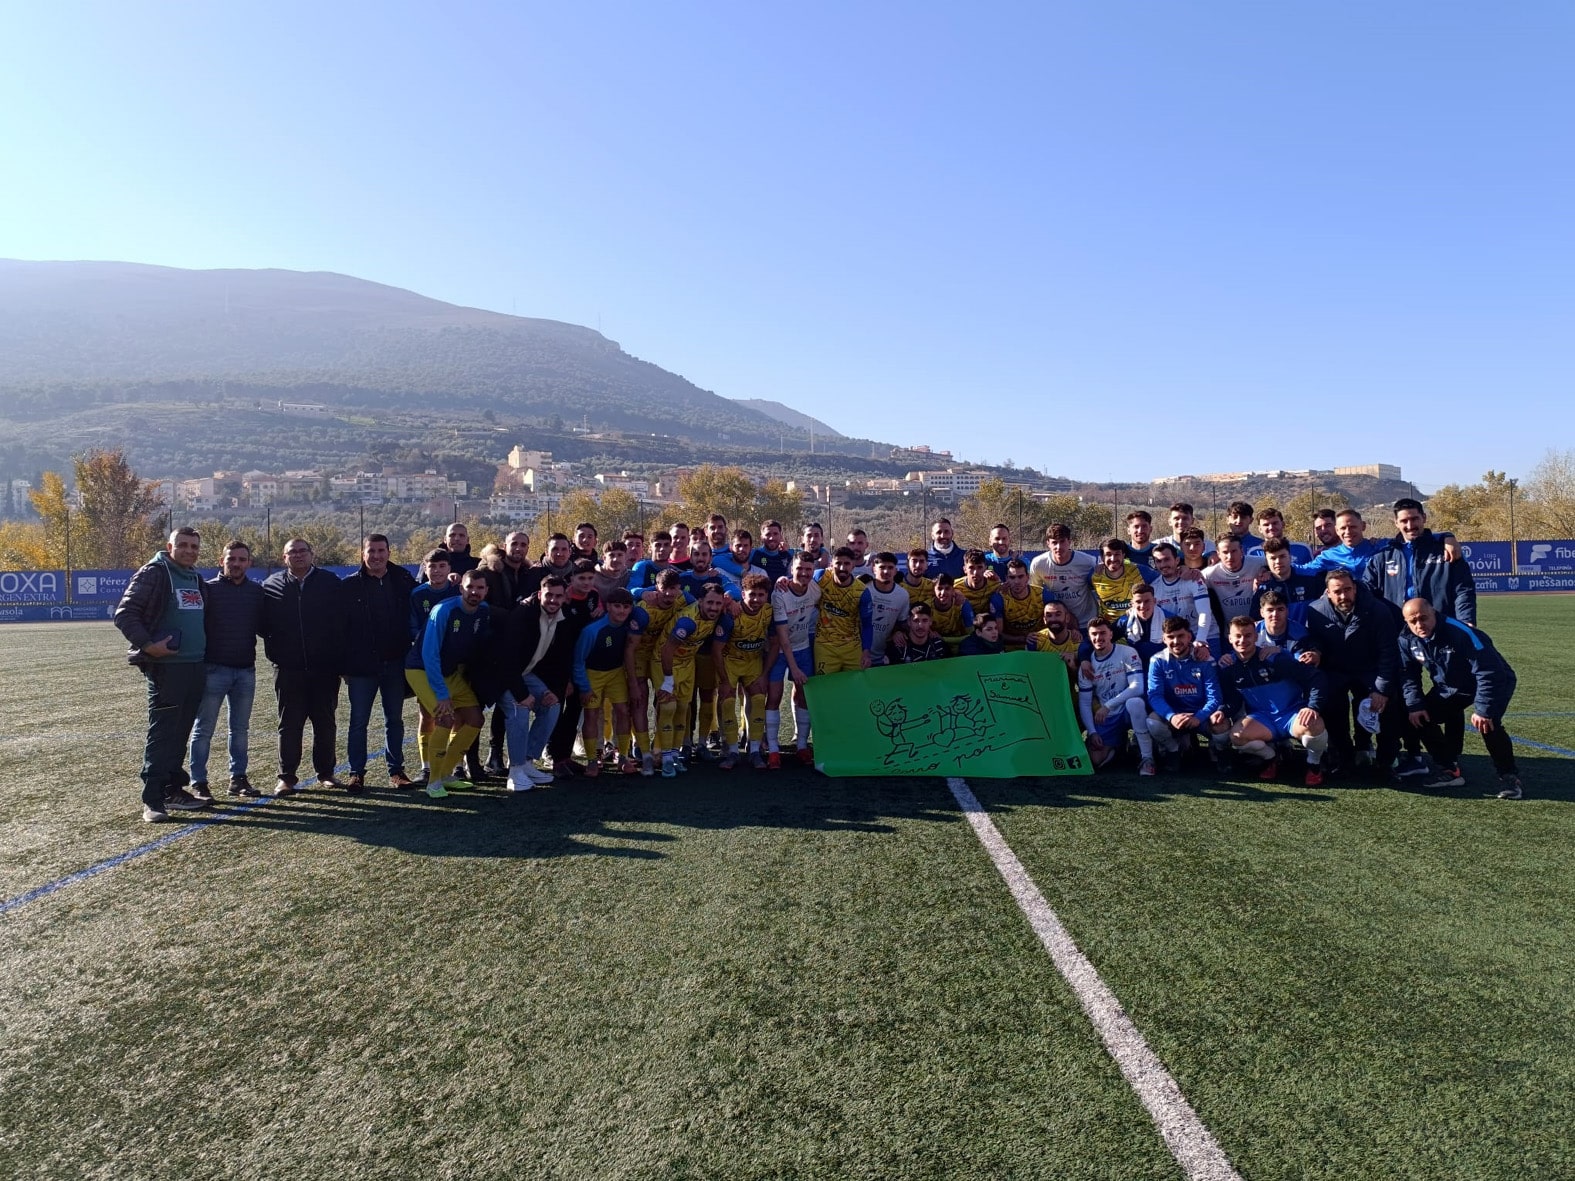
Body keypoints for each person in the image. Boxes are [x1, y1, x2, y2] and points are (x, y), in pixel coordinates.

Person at [115, 527, 213, 822]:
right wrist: (148, 645)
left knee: (180, 731)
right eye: (182, 545)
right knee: (163, 732)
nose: (189, 550)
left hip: (195, 667)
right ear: (169, 546)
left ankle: (173, 790)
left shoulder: (195, 578)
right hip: (168, 670)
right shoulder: (155, 573)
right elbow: (125, 613)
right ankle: (153, 800)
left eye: (194, 546)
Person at [1399, 598, 1523, 798]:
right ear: (1406, 622)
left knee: (1488, 723)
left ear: (1434, 614)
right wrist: (1415, 704)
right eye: (1413, 621)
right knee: (1418, 715)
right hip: (1453, 686)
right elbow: (1407, 674)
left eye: (1424, 618)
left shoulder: (1460, 632)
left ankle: (1509, 777)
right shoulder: (1406, 639)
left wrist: (1483, 710)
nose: (1419, 625)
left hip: (1494, 679)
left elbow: (1489, 671)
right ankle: (1449, 769)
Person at [262, 538, 346, 796]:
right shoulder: (270, 585)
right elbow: (262, 625)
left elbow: (342, 622)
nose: (298, 555)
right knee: (289, 724)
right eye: (292, 552)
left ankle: (326, 773)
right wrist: (278, 653)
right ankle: (286, 777)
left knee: (325, 722)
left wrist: (336, 658)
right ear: (284, 557)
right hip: (288, 670)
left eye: (302, 551)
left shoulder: (331, 583)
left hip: (324, 669)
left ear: (312, 554)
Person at [189, 539, 266, 800]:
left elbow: (266, 628)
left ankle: (238, 779)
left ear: (249, 563)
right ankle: (198, 782)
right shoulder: (208, 590)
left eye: (241, 559)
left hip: (245, 671)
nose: (236, 564)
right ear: (221, 561)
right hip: (214, 670)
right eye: (231, 559)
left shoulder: (257, 592)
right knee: (204, 728)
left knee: (240, 729)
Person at [341, 533, 418, 792]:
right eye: (371, 551)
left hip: (395, 663)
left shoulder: (403, 580)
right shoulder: (349, 585)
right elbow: (340, 629)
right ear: (362, 554)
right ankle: (356, 773)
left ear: (389, 552)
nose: (376, 556)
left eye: (381, 550)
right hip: (361, 668)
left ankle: (396, 772)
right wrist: (345, 667)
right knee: (358, 721)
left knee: (394, 719)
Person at [1304, 569, 1402, 775]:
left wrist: (1381, 689)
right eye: (1337, 591)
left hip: (1370, 669)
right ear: (1328, 592)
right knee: (1329, 700)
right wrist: (1316, 652)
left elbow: (1388, 652)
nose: (1343, 595)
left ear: (1355, 588)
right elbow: (1315, 639)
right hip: (1336, 669)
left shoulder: (1378, 610)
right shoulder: (1315, 610)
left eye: (1347, 589)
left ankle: (1386, 759)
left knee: (1388, 702)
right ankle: (1342, 755)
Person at [405, 568, 491, 796]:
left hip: (450, 672)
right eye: (470, 587)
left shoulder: (483, 611)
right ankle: (433, 782)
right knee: (443, 718)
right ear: (461, 587)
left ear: (486, 591)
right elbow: (429, 654)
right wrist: (441, 693)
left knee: (475, 719)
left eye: (480, 588)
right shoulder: (443, 610)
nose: (474, 592)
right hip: (421, 669)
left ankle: (445, 773)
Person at [1215, 616, 1330, 785]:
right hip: (1263, 719)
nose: (1242, 640)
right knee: (1237, 737)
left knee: (1315, 724)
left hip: (1292, 714)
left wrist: (1312, 707)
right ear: (1230, 638)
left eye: (1248, 635)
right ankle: (1271, 758)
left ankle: (1314, 764)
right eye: (1237, 636)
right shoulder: (1229, 667)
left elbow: (1315, 677)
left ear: (1256, 637)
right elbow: (1233, 700)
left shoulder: (1273, 658)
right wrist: (1222, 711)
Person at [497, 575, 578, 791]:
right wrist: (522, 694)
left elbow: (561, 658)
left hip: (525, 673)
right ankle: (514, 771)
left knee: (553, 705)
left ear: (565, 597)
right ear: (540, 594)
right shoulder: (523, 614)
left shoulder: (563, 617)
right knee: (519, 710)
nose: (553, 600)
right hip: (501, 674)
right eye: (548, 595)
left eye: (558, 596)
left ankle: (527, 761)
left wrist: (554, 690)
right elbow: (507, 660)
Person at [654, 582, 730, 776]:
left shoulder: (717, 614)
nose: (714, 607)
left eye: (718, 603)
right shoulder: (688, 621)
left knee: (682, 709)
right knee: (668, 708)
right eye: (710, 602)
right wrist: (668, 679)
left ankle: (675, 754)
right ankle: (663, 757)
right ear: (700, 601)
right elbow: (666, 650)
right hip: (665, 662)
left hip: (687, 662)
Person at [1366, 498, 1477, 625]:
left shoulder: (1446, 550)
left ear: (1424, 518)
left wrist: (1466, 620)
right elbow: (1368, 593)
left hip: (1439, 626)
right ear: (1396, 523)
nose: (1410, 526)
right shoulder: (1383, 556)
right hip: (1396, 628)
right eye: (1404, 521)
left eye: (1414, 519)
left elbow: (1463, 590)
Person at [626, 570, 694, 774]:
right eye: (665, 589)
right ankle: (643, 751)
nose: (669, 594)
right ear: (657, 588)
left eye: (674, 589)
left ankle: (659, 750)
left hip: (661, 656)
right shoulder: (643, 611)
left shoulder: (683, 600)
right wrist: (631, 681)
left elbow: (700, 605)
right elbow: (629, 648)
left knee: (666, 702)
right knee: (639, 701)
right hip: (639, 656)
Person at [571, 587, 639, 777]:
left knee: (623, 711)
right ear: (608, 606)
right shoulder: (592, 631)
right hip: (593, 674)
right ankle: (593, 760)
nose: (621, 611)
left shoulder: (630, 626)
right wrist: (583, 687)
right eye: (617, 606)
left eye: (626, 607)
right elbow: (578, 661)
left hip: (616, 673)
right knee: (592, 714)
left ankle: (623, 757)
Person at [1145, 617, 1225, 772]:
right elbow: (1155, 695)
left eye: (1180, 636)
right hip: (1176, 716)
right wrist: (1171, 716)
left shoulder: (1206, 659)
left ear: (1189, 636)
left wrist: (1199, 717)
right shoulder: (1157, 661)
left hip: (1201, 715)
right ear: (1163, 639)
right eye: (1170, 637)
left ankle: (1218, 750)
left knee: (1223, 725)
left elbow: (1215, 697)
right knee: (1153, 722)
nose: (1176, 641)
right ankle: (1173, 750)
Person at [1077, 616, 1155, 773]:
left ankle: (1147, 758)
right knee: (1095, 760)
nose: (1099, 638)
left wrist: (1108, 705)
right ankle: (1118, 746)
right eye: (1094, 634)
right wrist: (1092, 733)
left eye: (1103, 633)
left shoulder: (1127, 652)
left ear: (1111, 634)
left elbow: (1137, 687)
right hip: (1107, 717)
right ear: (1089, 637)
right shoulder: (1086, 666)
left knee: (1135, 703)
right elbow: (1085, 702)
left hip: (1127, 710)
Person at [714, 572, 777, 769]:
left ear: (767, 596)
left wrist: (765, 674)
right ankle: (732, 751)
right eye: (752, 595)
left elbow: (775, 645)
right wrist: (724, 680)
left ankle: (755, 750)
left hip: (753, 663)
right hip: (730, 663)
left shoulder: (769, 612)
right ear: (743, 594)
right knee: (728, 701)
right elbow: (717, 649)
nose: (756, 599)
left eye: (761, 595)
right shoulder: (731, 615)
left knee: (758, 700)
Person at [766, 552, 821, 767]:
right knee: (775, 696)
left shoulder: (816, 589)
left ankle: (801, 746)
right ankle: (773, 749)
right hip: (779, 650)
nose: (804, 573)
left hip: (803, 648)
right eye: (799, 568)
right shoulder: (780, 593)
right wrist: (794, 668)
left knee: (803, 695)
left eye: (808, 569)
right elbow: (782, 638)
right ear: (791, 569)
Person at [1028, 523, 1098, 625]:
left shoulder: (1088, 561)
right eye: (1054, 542)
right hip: (1056, 623)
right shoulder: (1038, 563)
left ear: (1069, 542)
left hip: (1086, 622)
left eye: (1062, 542)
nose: (1058, 547)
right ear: (1048, 543)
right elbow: (1035, 593)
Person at [813, 547, 865, 676]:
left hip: (852, 648)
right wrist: (783, 580)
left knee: (854, 688)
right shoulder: (820, 577)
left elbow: (867, 624)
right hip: (825, 647)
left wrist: (867, 651)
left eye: (846, 564)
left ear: (853, 565)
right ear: (831, 564)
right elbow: (799, 580)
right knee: (825, 689)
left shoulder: (862, 591)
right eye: (838, 563)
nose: (842, 568)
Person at [989, 557, 1054, 649]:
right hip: (1012, 647)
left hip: (1040, 643)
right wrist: (1024, 639)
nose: (1017, 581)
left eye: (1020, 576)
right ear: (1006, 578)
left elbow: (1057, 622)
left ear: (1028, 577)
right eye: (1012, 577)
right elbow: (998, 634)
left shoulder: (1043, 595)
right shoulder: (999, 599)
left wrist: (1073, 631)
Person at [1090, 539, 1150, 621]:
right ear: (1102, 557)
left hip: (1134, 623)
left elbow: (1161, 579)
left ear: (1123, 555)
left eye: (1117, 554)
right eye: (1108, 554)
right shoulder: (1095, 575)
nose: (1113, 558)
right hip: (1108, 626)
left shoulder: (1137, 570)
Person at [928, 573, 976, 653]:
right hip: (935, 647)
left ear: (953, 590)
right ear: (934, 590)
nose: (943, 593)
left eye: (947, 589)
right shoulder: (927, 607)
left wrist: (943, 639)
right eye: (939, 588)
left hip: (959, 646)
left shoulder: (962, 605)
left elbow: (971, 636)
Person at [1247, 508, 1312, 563]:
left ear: (1283, 524)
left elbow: (1312, 575)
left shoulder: (1302, 549)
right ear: (1260, 529)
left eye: (1275, 523)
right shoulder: (1254, 553)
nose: (1271, 527)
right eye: (1266, 525)